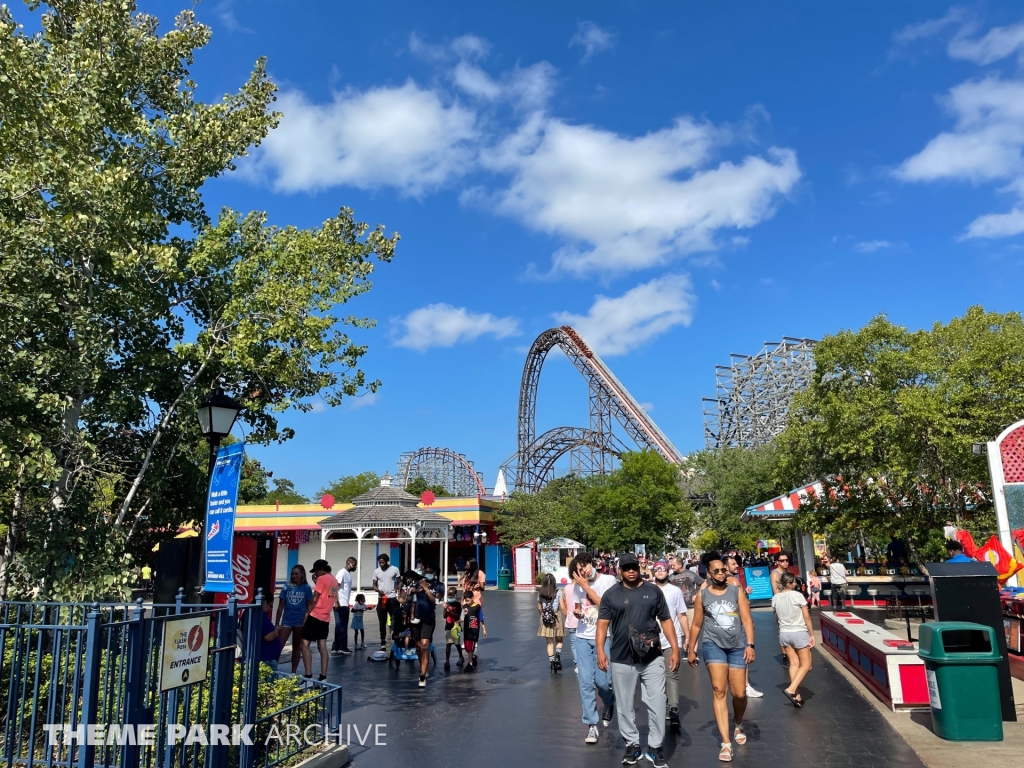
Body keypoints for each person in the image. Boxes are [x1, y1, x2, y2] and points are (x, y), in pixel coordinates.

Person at [597, 553, 677, 768]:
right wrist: (600, 651)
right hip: (622, 657)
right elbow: (602, 624)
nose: (631, 570)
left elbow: (667, 620)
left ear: (640, 567)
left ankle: (655, 746)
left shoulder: (653, 591)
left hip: (652, 657)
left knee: (658, 701)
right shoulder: (611, 594)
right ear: (619, 570)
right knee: (624, 706)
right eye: (626, 568)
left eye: (634, 566)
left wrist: (676, 649)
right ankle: (632, 745)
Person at [688, 557, 756, 763]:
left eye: (723, 570)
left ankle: (737, 723)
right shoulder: (703, 595)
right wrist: (691, 648)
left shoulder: (736, 591)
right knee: (719, 690)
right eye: (716, 571)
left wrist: (750, 645)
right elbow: (697, 624)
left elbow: (746, 619)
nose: (720, 574)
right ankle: (726, 742)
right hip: (712, 645)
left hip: (737, 645)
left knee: (739, 693)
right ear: (708, 573)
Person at [570, 553, 617, 745]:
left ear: (592, 564)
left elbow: (607, 606)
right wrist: (578, 613)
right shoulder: (577, 587)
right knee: (585, 682)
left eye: (585, 567)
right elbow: (578, 607)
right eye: (579, 571)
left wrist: (586, 587)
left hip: (603, 636)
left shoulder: (608, 580)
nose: (584, 572)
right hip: (582, 636)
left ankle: (609, 700)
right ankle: (591, 724)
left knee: (603, 681)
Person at [652, 559, 688, 734]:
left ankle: (673, 709)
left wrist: (687, 637)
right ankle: (659, 707)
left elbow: (682, 615)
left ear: (668, 571)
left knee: (671, 674)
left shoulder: (675, 591)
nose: (660, 571)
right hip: (650, 641)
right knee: (654, 677)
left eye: (663, 569)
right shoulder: (647, 590)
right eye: (657, 569)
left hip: (670, 640)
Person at [772, 571, 814, 707]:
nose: (796, 584)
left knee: (794, 664)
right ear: (789, 584)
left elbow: (777, 618)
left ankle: (797, 696)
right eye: (794, 582)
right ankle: (791, 689)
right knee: (807, 665)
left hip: (784, 633)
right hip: (799, 632)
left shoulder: (776, 598)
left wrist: (780, 630)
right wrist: (811, 634)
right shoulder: (798, 596)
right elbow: (806, 617)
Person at [723, 554, 762, 699]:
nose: (737, 566)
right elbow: (740, 605)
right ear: (726, 566)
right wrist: (748, 622)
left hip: (726, 624)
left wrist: (745, 592)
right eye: (733, 564)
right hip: (738, 623)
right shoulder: (733, 581)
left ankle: (734, 685)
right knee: (744, 654)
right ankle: (745, 686)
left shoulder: (721, 582)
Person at [302, 559, 338, 681]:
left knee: (304, 644)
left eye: (316, 571)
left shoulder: (322, 579)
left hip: (315, 614)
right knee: (322, 646)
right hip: (325, 617)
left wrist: (307, 613)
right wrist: (316, 581)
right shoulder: (334, 580)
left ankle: (308, 676)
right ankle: (323, 677)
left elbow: (315, 597)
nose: (315, 574)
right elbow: (328, 595)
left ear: (320, 569)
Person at [276, 565, 313, 675]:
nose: (294, 576)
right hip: (287, 620)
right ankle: (272, 668)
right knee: (278, 645)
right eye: (292, 574)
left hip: (300, 622)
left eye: (296, 574)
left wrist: (306, 621)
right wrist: (277, 623)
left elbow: (309, 607)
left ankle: (293, 672)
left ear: (302, 574)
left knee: (296, 647)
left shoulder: (306, 588)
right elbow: (280, 606)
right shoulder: (286, 587)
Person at [408, 566, 439, 687]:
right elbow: (410, 600)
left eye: (431, 572)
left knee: (425, 645)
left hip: (428, 619)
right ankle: (423, 667)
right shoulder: (417, 584)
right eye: (427, 572)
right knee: (419, 647)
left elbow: (435, 601)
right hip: (416, 620)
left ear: (435, 573)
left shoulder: (438, 586)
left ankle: (422, 675)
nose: (428, 574)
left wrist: (426, 588)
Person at [372, 554, 401, 650]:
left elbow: (399, 581)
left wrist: (398, 587)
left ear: (386, 561)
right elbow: (374, 585)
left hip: (392, 598)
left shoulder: (394, 569)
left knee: (396, 618)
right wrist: (377, 590)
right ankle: (382, 640)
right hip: (382, 598)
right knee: (382, 620)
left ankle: (396, 638)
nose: (381, 564)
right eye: (379, 562)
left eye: (382, 562)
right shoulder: (376, 571)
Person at [537, 573, 564, 673]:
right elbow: (562, 606)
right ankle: (558, 657)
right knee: (559, 640)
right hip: (556, 617)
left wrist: (543, 614)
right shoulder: (558, 592)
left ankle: (552, 663)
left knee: (549, 643)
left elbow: (539, 608)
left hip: (545, 618)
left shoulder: (540, 593)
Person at [331, 557, 356, 656]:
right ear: (348, 563)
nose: (355, 566)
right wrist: (336, 602)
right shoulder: (342, 572)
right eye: (354, 564)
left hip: (344, 603)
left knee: (340, 626)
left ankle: (336, 647)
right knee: (341, 626)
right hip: (341, 604)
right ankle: (342, 647)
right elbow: (333, 587)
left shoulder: (347, 574)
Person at [669, 555, 703, 627]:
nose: (672, 567)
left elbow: (703, 583)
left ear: (680, 565)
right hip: (678, 610)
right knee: (681, 634)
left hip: (691, 608)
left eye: (673, 565)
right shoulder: (670, 577)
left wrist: (697, 594)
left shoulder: (691, 574)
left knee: (693, 630)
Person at [462, 589, 486, 671]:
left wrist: (484, 629)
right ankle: (473, 657)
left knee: (471, 647)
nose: (467, 602)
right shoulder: (464, 607)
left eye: (468, 600)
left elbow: (481, 618)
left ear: (472, 598)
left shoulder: (477, 607)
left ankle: (470, 663)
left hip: (474, 630)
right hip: (466, 630)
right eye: (466, 600)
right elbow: (461, 617)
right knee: (467, 647)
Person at [443, 586, 465, 670]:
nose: (450, 598)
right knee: (448, 644)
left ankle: (461, 656)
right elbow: (444, 616)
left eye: (452, 596)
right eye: (449, 596)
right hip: (448, 626)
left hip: (456, 627)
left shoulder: (457, 604)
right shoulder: (447, 604)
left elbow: (457, 616)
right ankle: (447, 661)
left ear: (455, 595)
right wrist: (445, 609)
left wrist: (450, 611)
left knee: (457, 643)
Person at [260, 594, 284, 672]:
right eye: (270, 606)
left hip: (266, 658)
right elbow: (269, 636)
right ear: (265, 603)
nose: (270, 609)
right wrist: (276, 630)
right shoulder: (260, 615)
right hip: (266, 659)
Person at [561, 578, 579, 674]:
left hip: (571, 620)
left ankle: (577, 665)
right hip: (583, 620)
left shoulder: (566, 588)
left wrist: (567, 615)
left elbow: (563, 606)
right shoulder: (582, 587)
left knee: (574, 644)